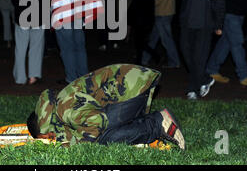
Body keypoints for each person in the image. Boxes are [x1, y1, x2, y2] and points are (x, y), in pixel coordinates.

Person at [26, 64, 185, 150]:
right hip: (134, 86)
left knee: (102, 139)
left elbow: (97, 122)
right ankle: (150, 123)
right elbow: (73, 129)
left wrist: (81, 145)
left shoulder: (64, 110)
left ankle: (157, 123)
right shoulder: (56, 109)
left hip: (131, 86)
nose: (52, 139)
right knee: (100, 135)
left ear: (45, 125)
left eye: (48, 137)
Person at [173, 0, 225, 100]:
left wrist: (219, 24)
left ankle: (193, 90)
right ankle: (205, 79)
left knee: (199, 58)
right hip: (187, 24)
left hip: (205, 25)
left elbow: (220, 3)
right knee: (186, 54)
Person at [11, 0, 48, 85]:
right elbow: (46, 0)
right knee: (36, 48)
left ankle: (20, 77)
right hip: (39, 17)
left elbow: (14, 0)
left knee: (20, 48)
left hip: (23, 17)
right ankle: (33, 76)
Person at [141, 0, 180, 69]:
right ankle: (144, 58)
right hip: (170, 11)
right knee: (154, 37)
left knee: (166, 39)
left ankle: (174, 62)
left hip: (161, 13)